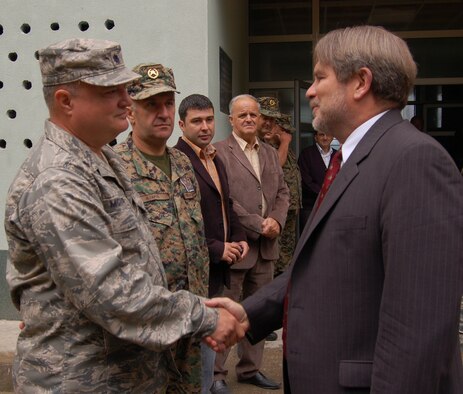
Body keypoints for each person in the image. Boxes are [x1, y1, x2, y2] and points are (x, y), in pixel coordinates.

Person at [211, 26, 463, 393]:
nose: (310, 91)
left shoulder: (415, 160)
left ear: (360, 82)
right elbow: (323, 267)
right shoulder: (353, 158)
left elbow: (419, 328)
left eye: (319, 77)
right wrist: (250, 312)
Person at [4, 39, 245, 393]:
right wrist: (206, 317)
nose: (124, 99)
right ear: (65, 101)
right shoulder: (58, 180)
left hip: (131, 368)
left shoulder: (101, 158)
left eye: (124, 88)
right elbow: (111, 292)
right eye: (109, 91)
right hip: (82, 379)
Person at [115, 64, 213, 393]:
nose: (163, 113)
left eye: (169, 103)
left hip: (191, 311)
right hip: (147, 322)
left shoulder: (184, 162)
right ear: (130, 111)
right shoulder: (114, 168)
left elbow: (195, 236)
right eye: (151, 105)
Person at [211, 94, 289, 393]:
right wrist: (259, 224)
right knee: (228, 313)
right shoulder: (218, 153)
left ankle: (249, 370)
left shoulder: (269, 153)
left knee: (258, 315)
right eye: (242, 115)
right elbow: (224, 200)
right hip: (237, 248)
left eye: (253, 115)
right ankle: (216, 374)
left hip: (266, 249)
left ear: (260, 119)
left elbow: (282, 192)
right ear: (231, 120)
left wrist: (277, 222)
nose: (248, 119)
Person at [174, 93, 250, 393]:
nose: (205, 127)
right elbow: (183, 224)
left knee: (207, 344)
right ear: (182, 125)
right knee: (194, 350)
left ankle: (207, 384)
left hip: (215, 270)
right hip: (193, 271)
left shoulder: (213, 157)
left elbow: (226, 204)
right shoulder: (179, 161)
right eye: (196, 121)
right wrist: (218, 248)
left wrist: (240, 237)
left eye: (208, 120)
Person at [262, 111, 302, 277]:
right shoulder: (269, 147)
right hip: (278, 210)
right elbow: (277, 166)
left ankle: (284, 276)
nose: (288, 135)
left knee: (287, 248)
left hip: (291, 206)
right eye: (284, 130)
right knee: (279, 250)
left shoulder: (284, 148)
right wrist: (285, 142)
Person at [297, 129, 337, 227]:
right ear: (316, 137)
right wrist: (323, 194)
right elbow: (305, 180)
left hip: (332, 205)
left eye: (328, 135)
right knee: (310, 238)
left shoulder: (338, 155)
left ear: (332, 137)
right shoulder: (306, 154)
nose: (325, 138)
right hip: (310, 206)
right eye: (321, 135)